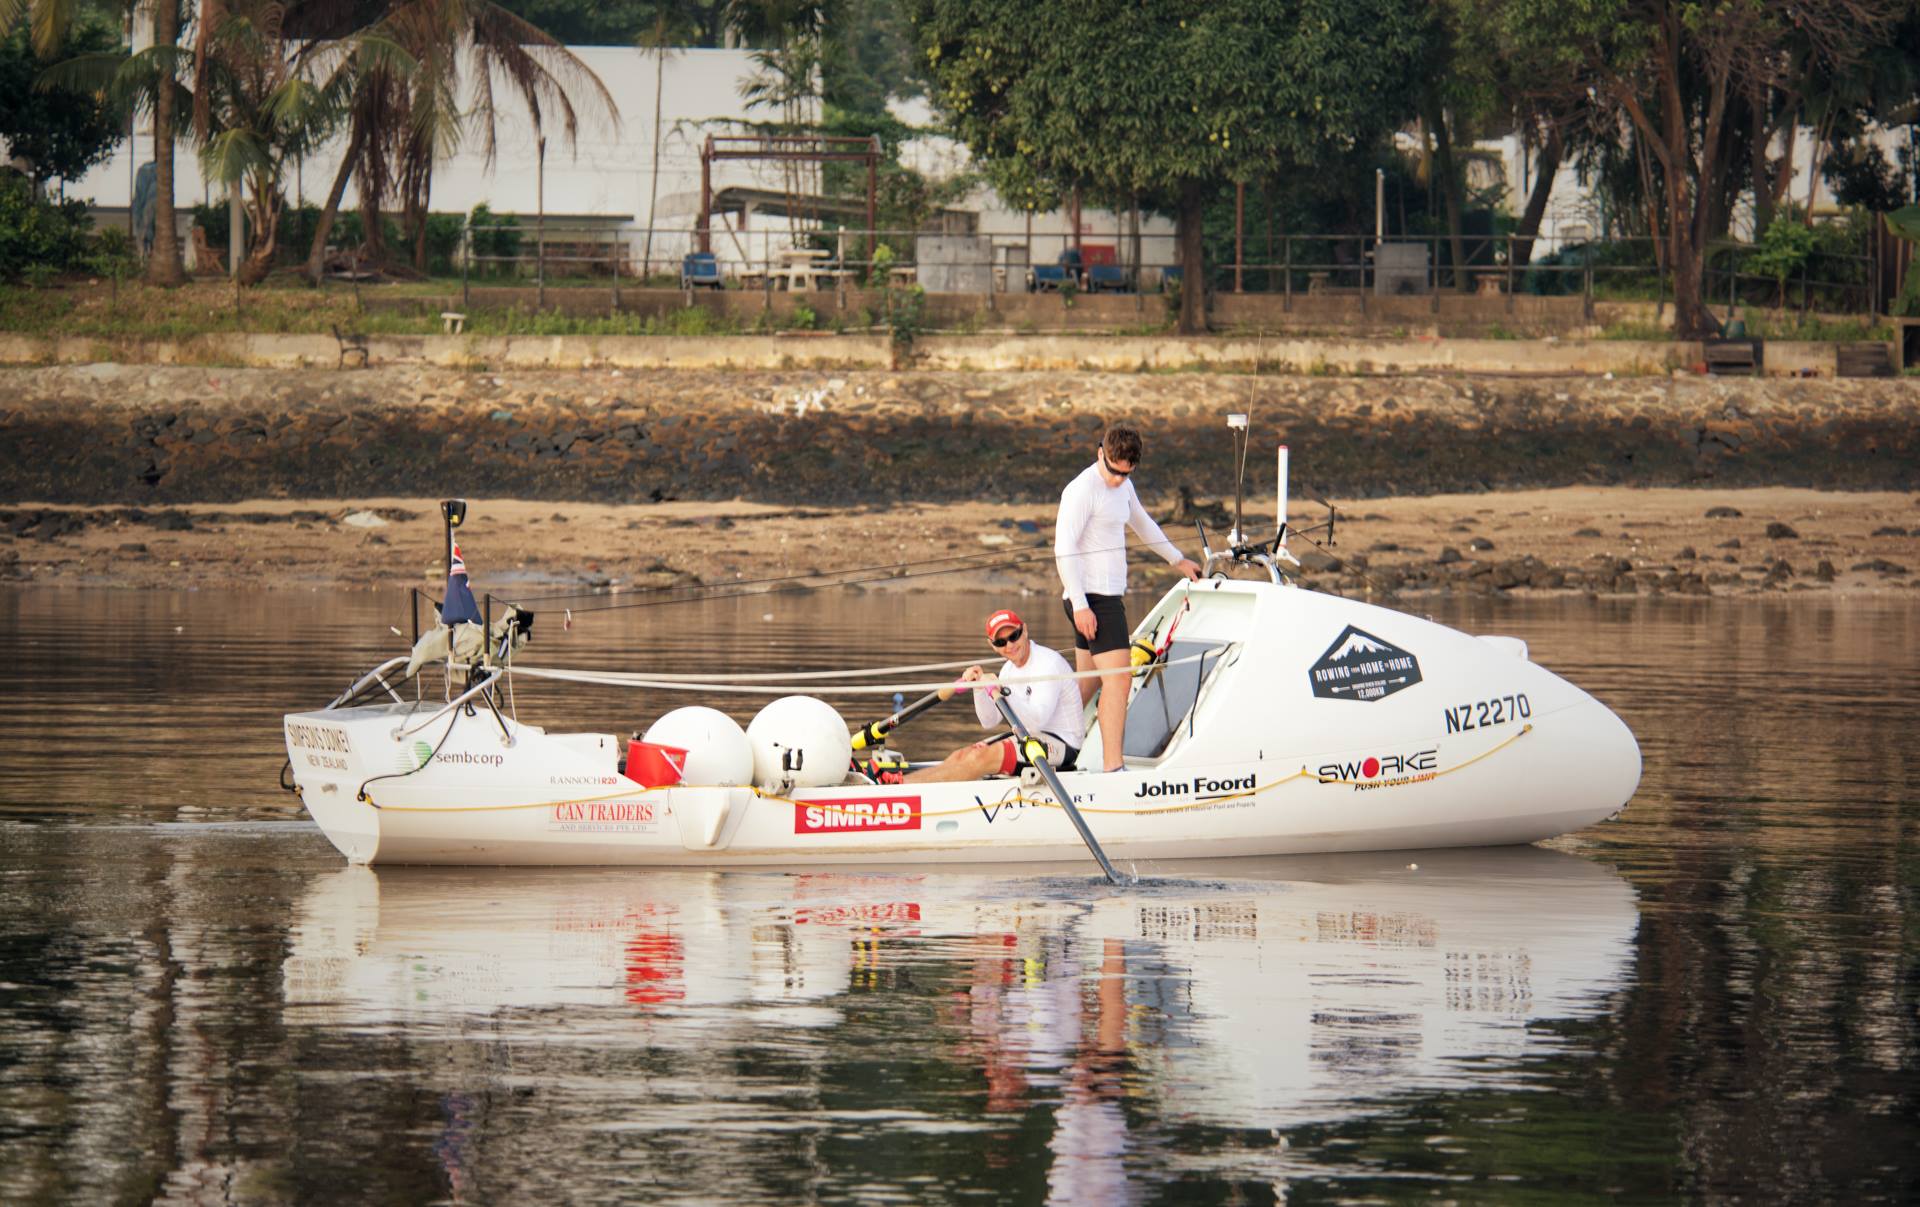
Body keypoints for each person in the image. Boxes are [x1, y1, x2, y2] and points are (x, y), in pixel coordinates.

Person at [1055, 425, 1201, 773]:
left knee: (1087, 685)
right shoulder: (1081, 489)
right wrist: (1080, 606)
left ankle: (1043, 748)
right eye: (1114, 471)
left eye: (1126, 473)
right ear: (1100, 453)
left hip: (1100, 599)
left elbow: (1144, 525)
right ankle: (1113, 769)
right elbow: (1064, 549)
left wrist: (1177, 559)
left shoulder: (1124, 487)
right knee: (1119, 681)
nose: (1119, 480)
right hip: (1092, 600)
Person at [898, 609, 1083, 784]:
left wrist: (1000, 690)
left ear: (1025, 630)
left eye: (1014, 636)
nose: (1009, 645)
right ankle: (901, 785)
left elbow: (1037, 721)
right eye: (1001, 642)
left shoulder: (1048, 664)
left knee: (980, 758)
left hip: (1064, 744)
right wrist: (979, 689)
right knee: (962, 755)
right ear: (992, 645)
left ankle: (905, 792)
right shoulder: (1008, 671)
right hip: (1030, 737)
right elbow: (989, 722)